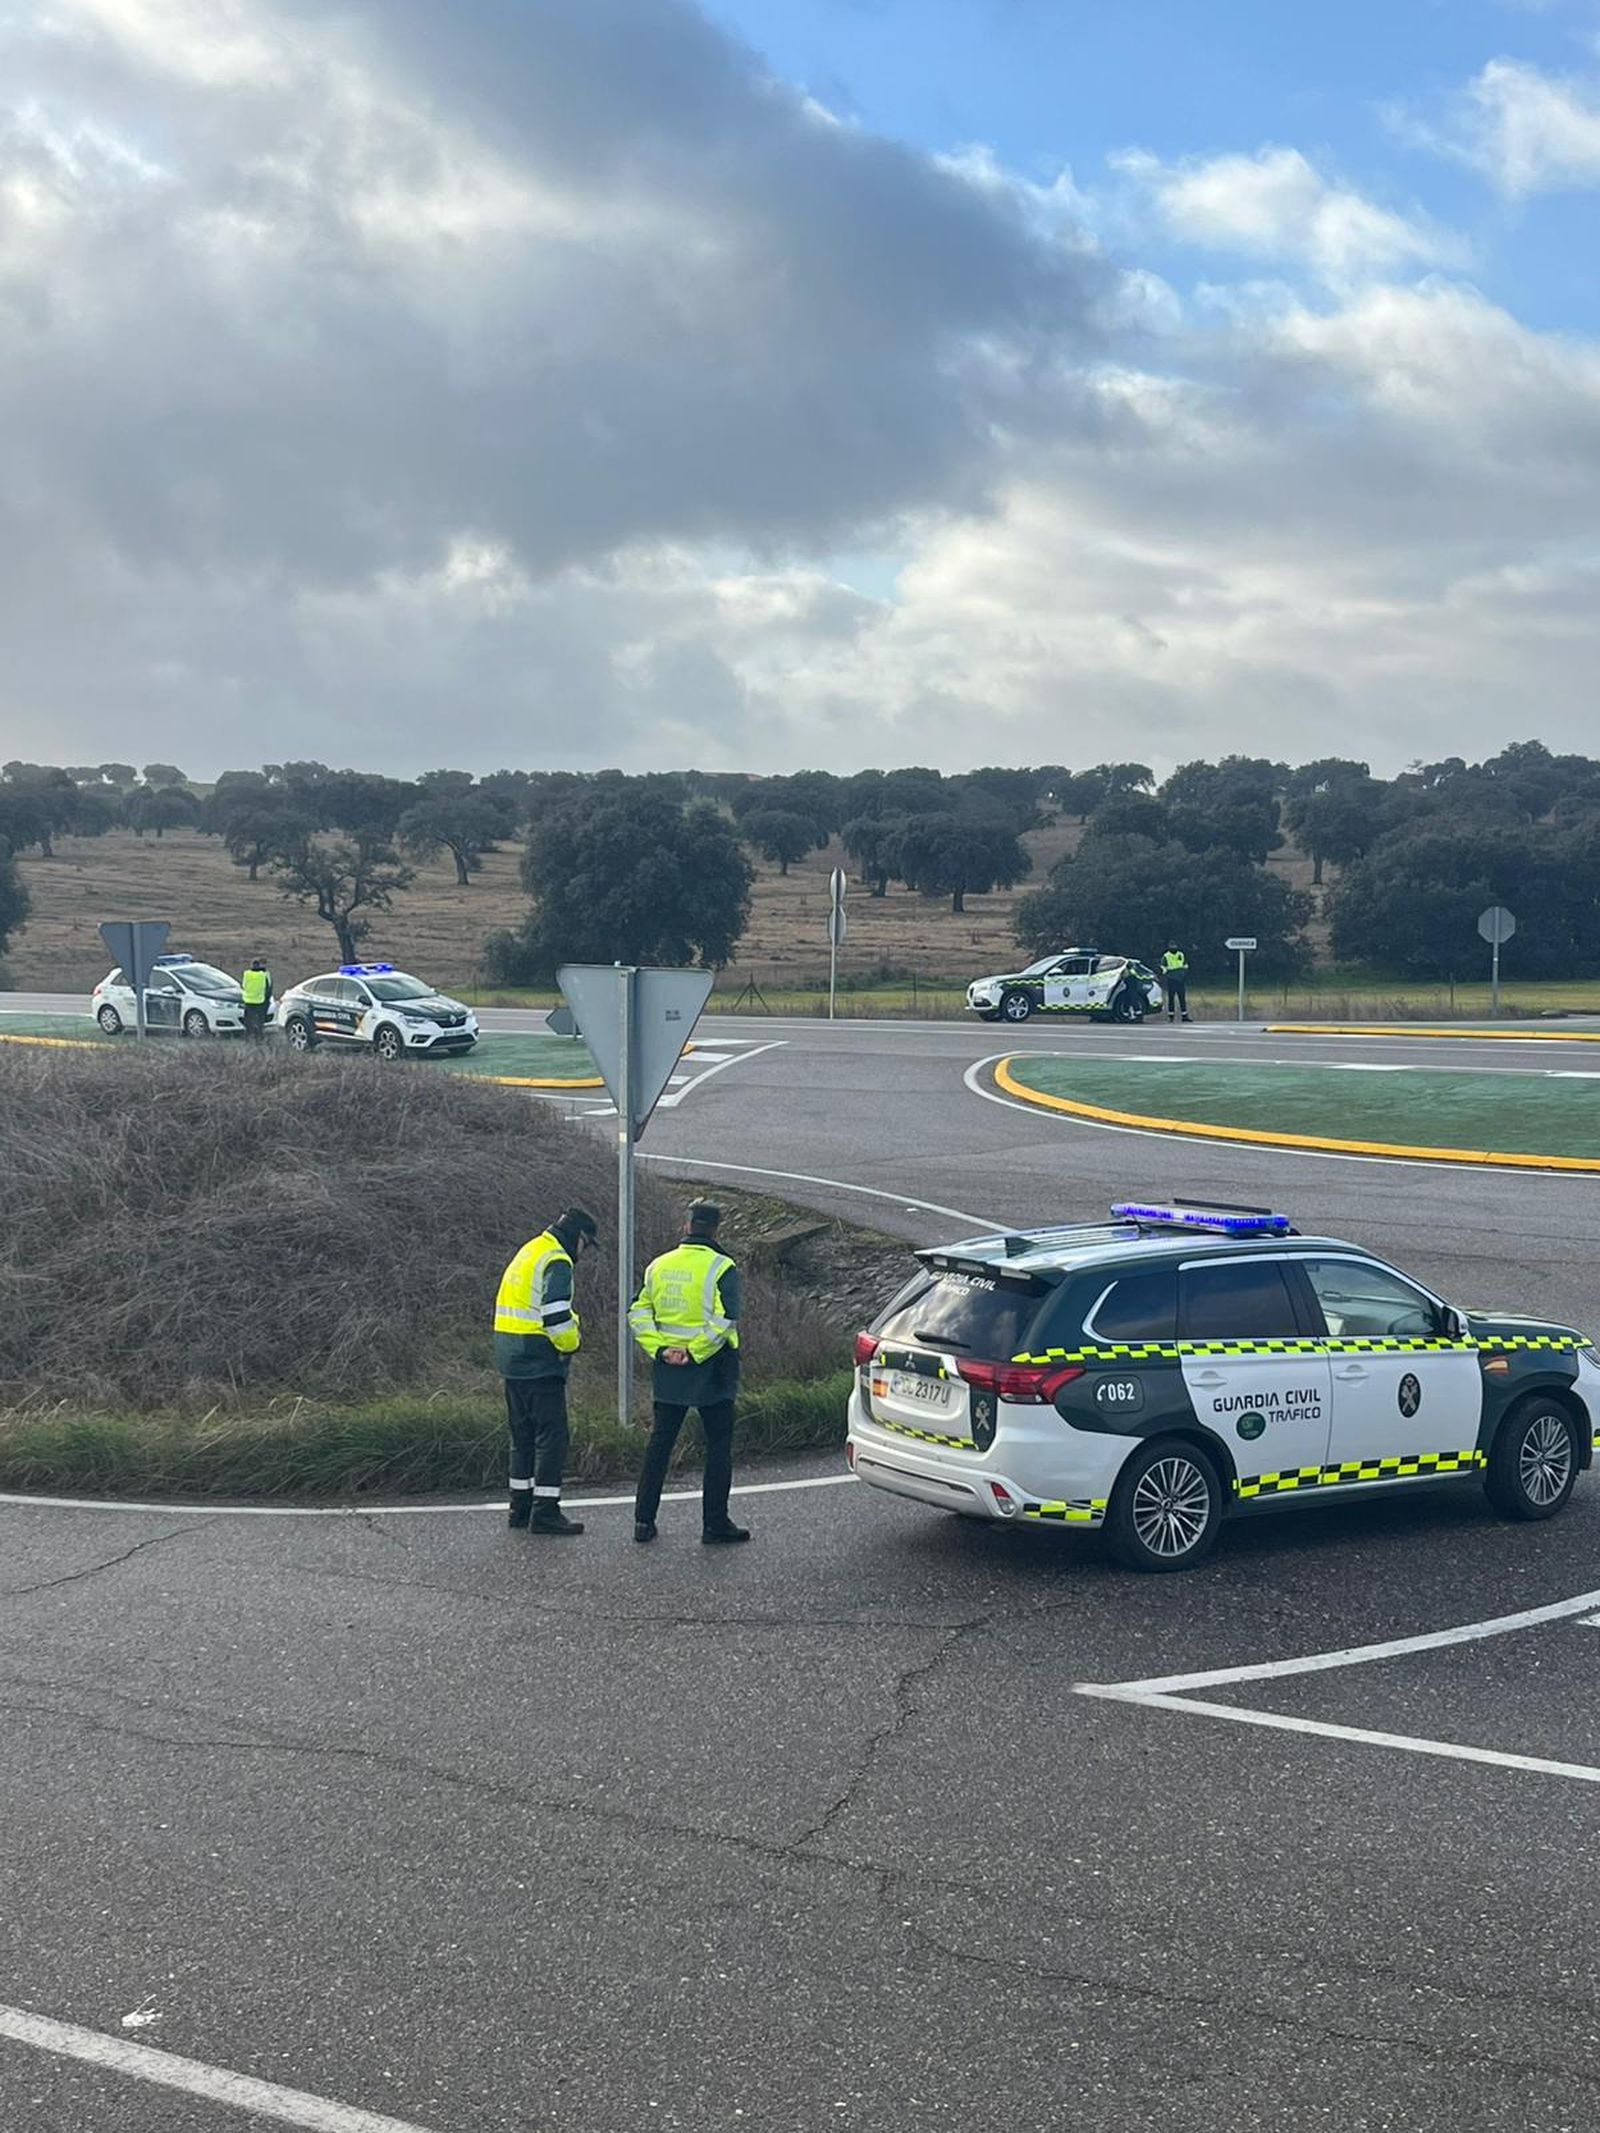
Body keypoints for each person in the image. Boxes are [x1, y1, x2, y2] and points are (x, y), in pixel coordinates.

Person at [629, 1200, 749, 1547]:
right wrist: (694, 1352)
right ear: (715, 1229)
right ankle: (714, 1525)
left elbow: (638, 1312)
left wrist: (661, 1349)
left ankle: (643, 1521)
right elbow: (724, 1321)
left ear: (686, 1227)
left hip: (668, 1368)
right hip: (712, 1369)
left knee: (660, 1443)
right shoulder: (722, 1266)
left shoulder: (658, 1266)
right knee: (717, 1446)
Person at [494, 1206, 599, 1536]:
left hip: (510, 1357)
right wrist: (572, 1343)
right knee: (552, 1439)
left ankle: (519, 1507)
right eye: (587, 1245)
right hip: (539, 1360)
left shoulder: (530, 1249)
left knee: (521, 1437)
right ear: (579, 1238)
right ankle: (546, 1511)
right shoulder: (557, 1260)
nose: (584, 1252)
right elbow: (555, 1317)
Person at [240, 958, 273, 1041]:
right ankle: (259, 1037)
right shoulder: (264, 975)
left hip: (248, 1000)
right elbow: (268, 988)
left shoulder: (246, 974)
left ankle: (247, 1037)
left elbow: (243, 986)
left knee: (248, 1021)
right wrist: (267, 1001)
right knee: (260, 1021)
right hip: (260, 1001)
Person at [1160, 943, 1191, 1024]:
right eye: (1172, 946)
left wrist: (1183, 972)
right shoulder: (1166, 956)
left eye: (1175, 946)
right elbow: (1163, 967)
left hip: (1180, 979)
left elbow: (1185, 964)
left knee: (1182, 998)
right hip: (1171, 979)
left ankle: (1184, 1016)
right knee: (1171, 999)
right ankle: (1171, 1017)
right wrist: (1167, 972)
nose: (1174, 947)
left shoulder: (1181, 954)